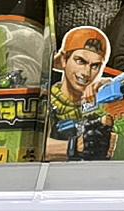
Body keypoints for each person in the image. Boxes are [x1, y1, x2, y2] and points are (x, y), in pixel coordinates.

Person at [45, 27, 109, 160]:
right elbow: (32, 145)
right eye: (80, 61)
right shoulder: (46, 101)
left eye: (95, 66)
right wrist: (73, 146)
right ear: (64, 60)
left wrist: (120, 96)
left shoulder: (101, 102)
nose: (86, 72)